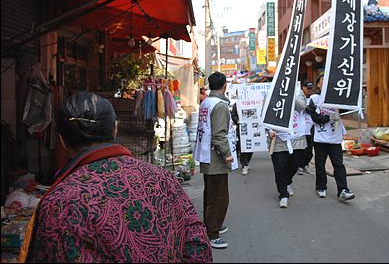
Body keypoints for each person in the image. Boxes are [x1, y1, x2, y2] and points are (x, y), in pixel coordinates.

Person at [20, 92, 212, 263]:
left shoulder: (58, 203)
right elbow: (197, 241)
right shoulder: (162, 178)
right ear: (115, 129)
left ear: (61, 139)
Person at [194, 72, 237, 249]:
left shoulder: (206, 102)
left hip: (206, 154)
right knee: (219, 197)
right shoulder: (219, 105)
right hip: (215, 157)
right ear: (224, 85)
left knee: (211, 194)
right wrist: (227, 155)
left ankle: (213, 225)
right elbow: (219, 136)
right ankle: (212, 234)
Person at [306, 75, 355, 201]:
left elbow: (346, 109)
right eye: (322, 81)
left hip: (335, 137)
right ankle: (321, 186)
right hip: (320, 138)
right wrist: (329, 118)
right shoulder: (314, 99)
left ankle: (343, 189)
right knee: (320, 164)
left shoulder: (337, 98)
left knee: (338, 164)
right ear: (318, 85)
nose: (325, 83)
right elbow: (314, 117)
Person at [268, 85, 308, 208]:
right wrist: (269, 130)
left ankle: (287, 182)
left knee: (296, 163)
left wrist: (290, 93)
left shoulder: (297, 90)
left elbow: (302, 106)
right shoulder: (272, 90)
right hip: (279, 137)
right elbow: (266, 113)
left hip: (296, 136)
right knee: (280, 167)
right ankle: (283, 194)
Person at [231, 101, 253, 175]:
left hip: (252, 128)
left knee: (251, 147)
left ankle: (247, 161)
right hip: (241, 128)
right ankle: (244, 165)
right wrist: (237, 121)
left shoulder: (253, 102)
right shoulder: (236, 104)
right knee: (243, 146)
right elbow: (233, 115)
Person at [298, 80, 314, 175]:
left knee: (309, 150)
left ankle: (305, 165)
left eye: (311, 88)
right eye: (308, 88)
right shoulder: (298, 98)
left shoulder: (312, 98)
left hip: (310, 128)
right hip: (301, 129)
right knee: (301, 150)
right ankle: (300, 166)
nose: (309, 90)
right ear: (303, 88)